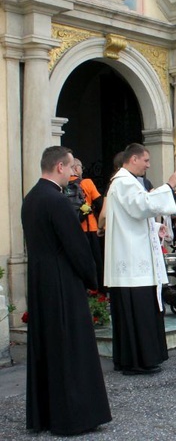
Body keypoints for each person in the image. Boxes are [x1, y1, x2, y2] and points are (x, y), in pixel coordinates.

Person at [22, 146, 112, 435]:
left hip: (40, 281)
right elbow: (77, 246)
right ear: (60, 167)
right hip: (63, 282)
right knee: (71, 348)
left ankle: (46, 415)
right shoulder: (58, 201)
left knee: (49, 347)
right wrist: (91, 278)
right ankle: (74, 417)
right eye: (72, 166)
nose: (75, 172)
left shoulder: (31, 198)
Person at [104, 143, 176, 374]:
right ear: (134, 159)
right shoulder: (124, 182)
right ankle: (138, 361)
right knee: (137, 313)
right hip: (132, 264)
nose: (148, 165)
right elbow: (141, 206)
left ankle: (130, 359)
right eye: (146, 160)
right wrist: (168, 186)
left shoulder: (124, 182)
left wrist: (156, 226)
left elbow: (135, 218)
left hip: (133, 255)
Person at [69, 158, 105, 291]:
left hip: (73, 229)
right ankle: (98, 290)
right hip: (90, 227)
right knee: (95, 260)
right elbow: (100, 203)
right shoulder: (87, 183)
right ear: (77, 168)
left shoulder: (63, 185)